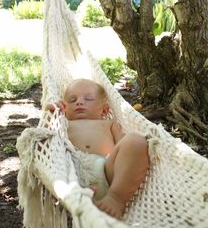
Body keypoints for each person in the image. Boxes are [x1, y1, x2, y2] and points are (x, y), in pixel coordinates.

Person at [46, 78, 149, 219]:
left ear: (105, 110)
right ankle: (83, 195)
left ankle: (116, 198)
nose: (79, 102)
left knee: (136, 141)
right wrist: (52, 112)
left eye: (88, 99)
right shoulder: (64, 123)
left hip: (106, 169)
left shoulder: (109, 124)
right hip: (72, 171)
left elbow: (124, 150)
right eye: (72, 100)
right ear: (65, 107)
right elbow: (47, 137)